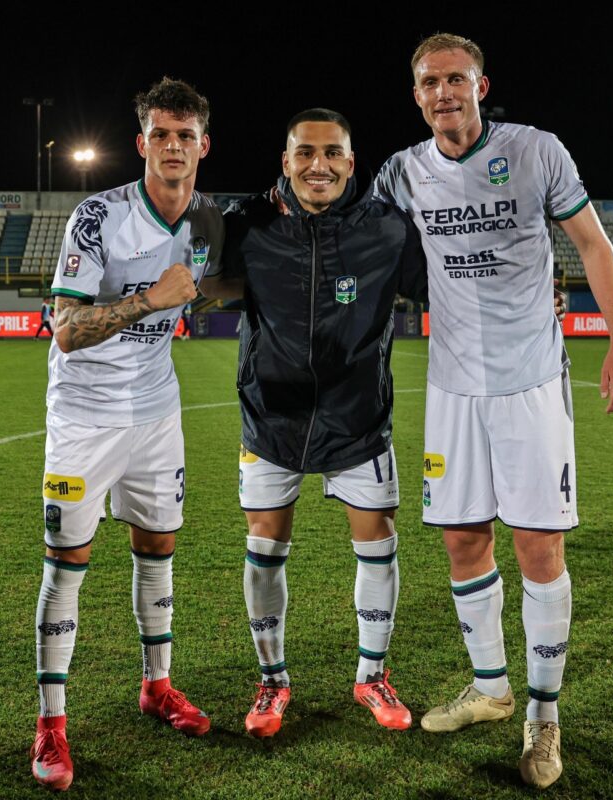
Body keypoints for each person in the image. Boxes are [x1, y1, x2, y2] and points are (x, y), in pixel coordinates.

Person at [374, 33, 613, 789]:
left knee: (538, 547)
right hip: (453, 386)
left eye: (456, 79)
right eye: (430, 82)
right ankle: (490, 689)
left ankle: (543, 718)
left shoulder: (535, 151)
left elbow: (592, 244)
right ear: (416, 94)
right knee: (463, 539)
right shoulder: (402, 171)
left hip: (530, 381)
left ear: (481, 87)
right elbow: (353, 231)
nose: (444, 93)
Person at [201, 109, 428, 739]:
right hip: (271, 418)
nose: (318, 164)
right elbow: (203, 278)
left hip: (358, 418)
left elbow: (446, 286)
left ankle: (372, 675)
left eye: (332, 153)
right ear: (286, 160)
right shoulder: (249, 222)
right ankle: (272, 681)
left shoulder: (386, 228)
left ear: (351, 162)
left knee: (377, 542)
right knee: (264, 548)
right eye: (305, 152)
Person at [29, 77, 224, 791]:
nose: (173, 146)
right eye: (160, 134)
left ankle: (157, 686)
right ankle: (51, 724)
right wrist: (149, 300)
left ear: (204, 145)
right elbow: (65, 330)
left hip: (157, 411)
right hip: (84, 416)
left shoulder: (207, 220)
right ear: (142, 143)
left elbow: (213, 287)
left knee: (158, 546)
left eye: (185, 135)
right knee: (68, 559)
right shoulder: (98, 216)